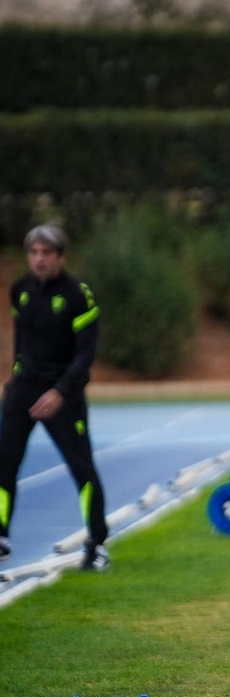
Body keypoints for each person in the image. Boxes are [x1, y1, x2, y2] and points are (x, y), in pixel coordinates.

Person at [0, 224, 107, 570]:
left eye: (47, 253)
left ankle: (97, 543)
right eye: (34, 252)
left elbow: (85, 354)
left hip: (63, 395)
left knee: (82, 470)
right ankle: (0, 537)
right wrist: (14, 377)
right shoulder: (20, 291)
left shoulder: (78, 295)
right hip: (23, 390)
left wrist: (60, 392)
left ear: (61, 257)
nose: (39, 259)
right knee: (4, 466)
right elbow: (24, 340)